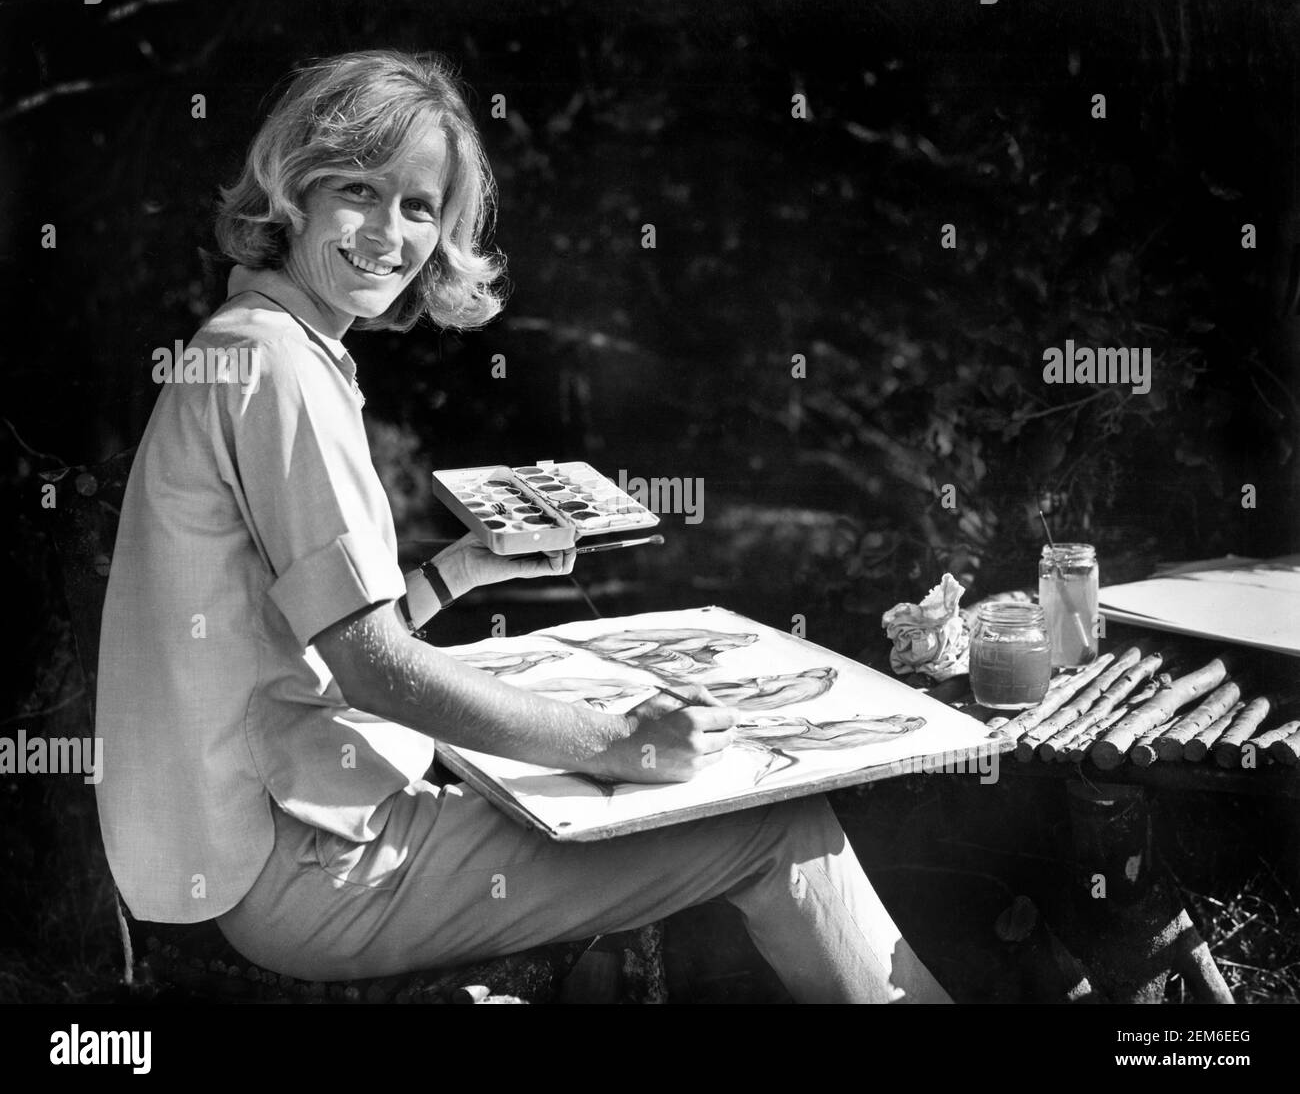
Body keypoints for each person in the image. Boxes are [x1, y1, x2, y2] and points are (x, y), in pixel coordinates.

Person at [94, 49, 951, 1004]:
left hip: (292, 841)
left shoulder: (259, 343)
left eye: (420, 207)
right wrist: (616, 739)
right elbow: (375, 667)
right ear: (291, 188)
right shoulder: (280, 367)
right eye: (358, 189)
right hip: (313, 870)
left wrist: (459, 570)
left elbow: (309, 644)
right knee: (774, 826)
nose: (389, 232)